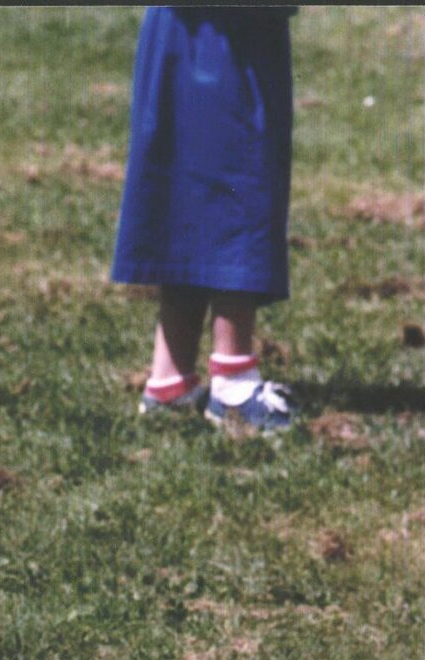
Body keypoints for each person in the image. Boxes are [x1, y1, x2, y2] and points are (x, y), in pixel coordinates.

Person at [111, 6, 297, 431]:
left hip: (181, 34)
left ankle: (169, 379)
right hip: (232, 37)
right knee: (238, 184)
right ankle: (233, 380)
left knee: (185, 188)